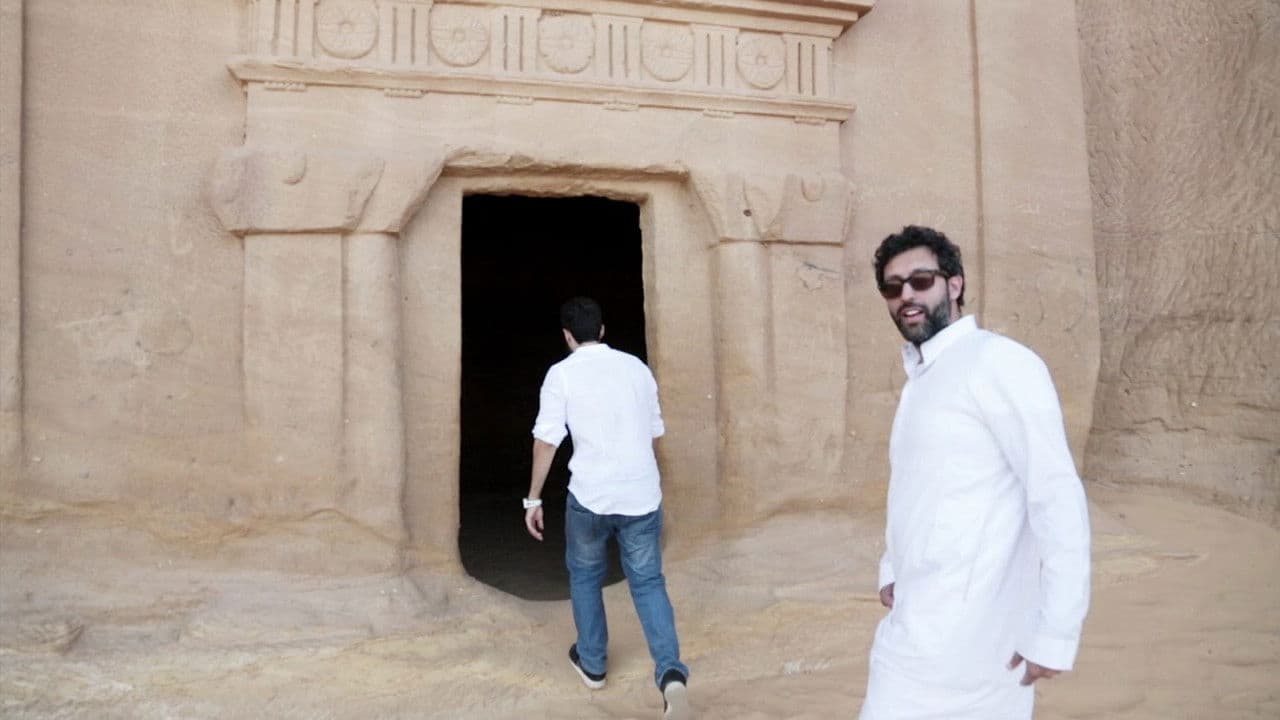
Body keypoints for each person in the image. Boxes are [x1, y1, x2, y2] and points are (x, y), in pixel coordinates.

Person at [859, 226, 1091, 719]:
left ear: (955, 284)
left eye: (920, 281)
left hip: (979, 648)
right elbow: (920, 490)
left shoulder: (1000, 362)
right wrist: (893, 568)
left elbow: (1054, 494)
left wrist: (1055, 630)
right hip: (914, 633)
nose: (906, 296)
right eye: (892, 287)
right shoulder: (923, 378)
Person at [524, 296, 692, 720]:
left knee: (585, 576)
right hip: (641, 496)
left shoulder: (561, 374)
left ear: (567, 336)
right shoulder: (637, 368)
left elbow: (546, 440)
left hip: (590, 496)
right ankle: (671, 674)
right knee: (648, 582)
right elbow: (654, 430)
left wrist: (533, 498)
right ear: (602, 330)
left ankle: (593, 663)